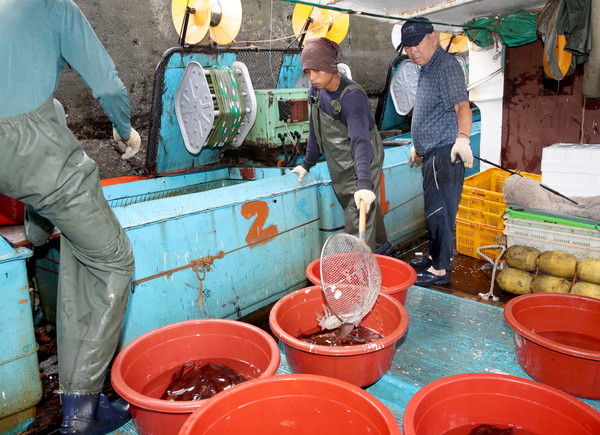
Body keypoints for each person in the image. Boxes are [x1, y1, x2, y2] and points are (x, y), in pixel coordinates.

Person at [0, 0, 141, 433]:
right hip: (31, 145)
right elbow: (107, 84)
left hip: (14, 160)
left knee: (83, 247)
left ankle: (87, 399)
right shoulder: (53, 5)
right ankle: (80, 414)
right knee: (116, 261)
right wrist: (124, 127)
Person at [291, 37, 393, 255]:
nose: (312, 77)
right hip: (340, 158)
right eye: (308, 71)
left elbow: (360, 140)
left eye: (317, 70)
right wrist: (307, 163)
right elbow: (314, 127)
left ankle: (360, 270)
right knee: (365, 204)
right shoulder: (316, 91)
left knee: (358, 209)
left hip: (364, 155)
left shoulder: (351, 96)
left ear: (330, 66)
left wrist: (364, 182)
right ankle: (383, 247)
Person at [401, 17, 474, 286]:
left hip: (445, 151)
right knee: (433, 209)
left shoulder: (446, 66)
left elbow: (462, 107)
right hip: (430, 152)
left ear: (433, 38)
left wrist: (463, 139)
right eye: (407, 47)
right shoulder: (427, 68)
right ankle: (434, 257)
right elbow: (430, 111)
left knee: (440, 211)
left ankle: (440, 270)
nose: (412, 52)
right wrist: (417, 145)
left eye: (416, 44)